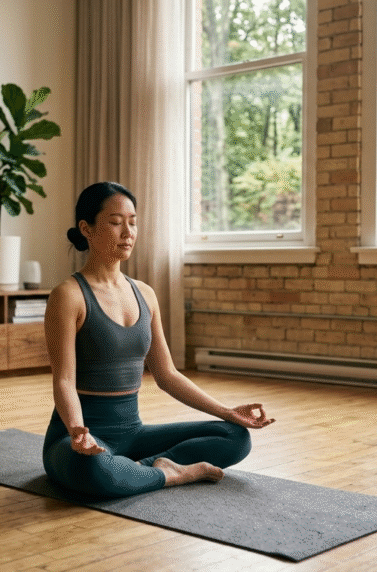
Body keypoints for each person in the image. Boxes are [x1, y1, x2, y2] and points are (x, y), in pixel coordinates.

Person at [42, 181, 274, 498]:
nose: (128, 233)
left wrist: (228, 412)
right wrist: (77, 431)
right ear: (87, 228)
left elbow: (166, 374)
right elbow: (64, 380)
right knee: (93, 469)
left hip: (133, 435)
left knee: (234, 436)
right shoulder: (68, 296)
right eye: (114, 222)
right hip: (76, 438)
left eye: (133, 222)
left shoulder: (145, 295)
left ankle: (138, 470)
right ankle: (167, 473)